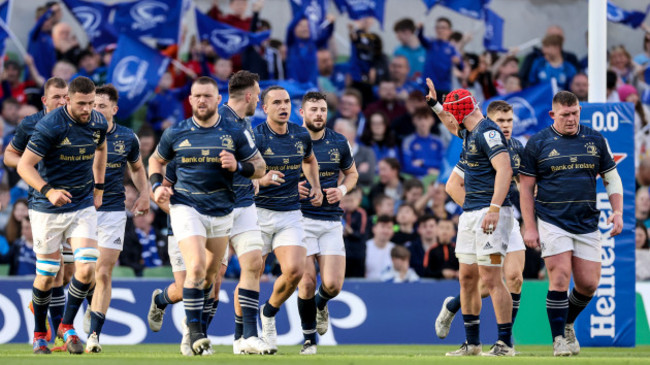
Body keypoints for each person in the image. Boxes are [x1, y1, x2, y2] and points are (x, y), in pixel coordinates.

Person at [149, 76, 266, 356]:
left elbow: (259, 166)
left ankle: (169, 305)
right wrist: (156, 187)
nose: (201, 100)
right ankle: (197, 335)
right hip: (185, 207)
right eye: (196, 96)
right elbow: (155, 160)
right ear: (189, 100)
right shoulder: (175, 132)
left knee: (209, 280)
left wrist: (239, 166)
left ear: (218, 100)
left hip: (222, 211)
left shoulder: (234, 132)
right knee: (197, 266)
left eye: (207, 96)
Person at [519, 91, 623, 356]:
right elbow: (526, 189)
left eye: (575, 112)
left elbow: (612, 178)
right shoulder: (538, 143)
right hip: (552, 220)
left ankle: (567, 323)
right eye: (565, 114)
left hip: (586, 221)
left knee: (589, 284)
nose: (571, 119)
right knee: (560, 275)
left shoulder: (595, 139)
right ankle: (558, 341)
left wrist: (618, 211)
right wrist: (529, 226)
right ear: (553, 115)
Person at [17, 76, 108, 354]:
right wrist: (48, 190)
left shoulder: (98, 121)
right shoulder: (50, 126)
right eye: (81, 103)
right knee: (47, 275)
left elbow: (101, 149)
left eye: (91, 103)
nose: (87, 109)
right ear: (67, 99)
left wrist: (100, 186)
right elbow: (24, 165)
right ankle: (39, 331)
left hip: (81, 204)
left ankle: (66, 326)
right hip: (48, 208)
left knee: (87, 268)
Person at [425, 78, 514, 356]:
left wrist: (495, 208)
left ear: (462, 113)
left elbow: (505, 170)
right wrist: (436, 105)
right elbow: (452, 125)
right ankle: (473, 343)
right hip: (470, 213)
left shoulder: (488, 132)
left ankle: (505, 344)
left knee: (491, 278)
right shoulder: (470, 131)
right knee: (467, 278)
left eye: (453, 114)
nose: (451, 121)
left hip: (490, 212)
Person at [436, 101, 526, 344]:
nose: (505, 126)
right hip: (488, 216)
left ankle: (505, 339)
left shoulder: (517, 148)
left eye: (509, 121)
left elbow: (525, 184)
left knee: (515, 278)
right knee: (488, 281)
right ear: (488, 121)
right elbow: (452, 185)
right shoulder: (478, 142)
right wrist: (481, 210)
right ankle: (459, 311)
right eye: (500, 121)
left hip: (508, 218)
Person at [254, 85, 323, 354]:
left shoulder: (299, 134)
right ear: (265, 107)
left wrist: (314, 185)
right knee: (252, 276)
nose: (284, 107)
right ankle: (243, 335)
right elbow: (241, 173)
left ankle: (269, 312)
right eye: (277, 103)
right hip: (258, 213)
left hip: (290, 213)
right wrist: (262, 179)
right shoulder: (255, 136)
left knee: (295, 271)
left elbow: (309, 160)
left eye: (287, 102)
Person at [4, 77, 70, 351]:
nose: (62, 102)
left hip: (72, 203)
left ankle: (38, 301)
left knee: (66, 275)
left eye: (66, 96)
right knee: (53, 272)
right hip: (42, 202)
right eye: (57, 97)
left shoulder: (76, 123)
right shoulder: (30, 124)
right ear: (44, 100)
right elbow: (9, 155)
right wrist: (30, 164)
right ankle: (49, 333)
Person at [85, 84, 149, 353]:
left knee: (102, 271)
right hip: (79, 209)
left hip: (112, 208)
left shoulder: (127, 137)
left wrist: (145, 192)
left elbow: (136, 168)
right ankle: (84, 307)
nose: (95, 110)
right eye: (92, 105)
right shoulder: (79, 133)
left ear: (114, 109)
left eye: (101, 106)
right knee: (82, 273)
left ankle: (94, 336)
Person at [295, 91, 358, 354]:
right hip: (298, 220)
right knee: (307, 281)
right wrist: (290, 188)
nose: (319, 114)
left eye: (322, 109)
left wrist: (342, 191)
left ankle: (321, 304)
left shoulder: (339, 142)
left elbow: (352, 174)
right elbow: (266, 174)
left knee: (332, 285)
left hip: (331, 220)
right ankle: (309, 340)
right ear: (302, 113)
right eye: (313, 110)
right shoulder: (290, 141)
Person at [215, 70, 272, 355]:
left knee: (253, 264)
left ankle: (248, 336)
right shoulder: (219, 121)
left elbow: (246, 162)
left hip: (245, 205)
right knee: (208, 278)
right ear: (248, 96)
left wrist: (253, 178)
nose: (258, 100)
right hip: (217, 208)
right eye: (258, 95)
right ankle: (193, 329)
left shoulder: (244, 123)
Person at [365, 215, 396, 280]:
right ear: (374, 229)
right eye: (382, 227)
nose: (385, 231)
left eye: (389, 228)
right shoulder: (365, 247)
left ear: (393, 232)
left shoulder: (395, 249)